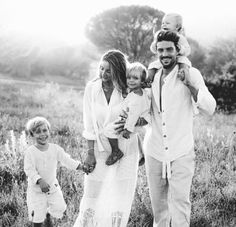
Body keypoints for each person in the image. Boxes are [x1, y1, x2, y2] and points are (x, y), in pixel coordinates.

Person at [143, 30, 216, 227]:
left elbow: (210, 107)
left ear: (178, 50)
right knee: (159, 209)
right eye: (160, 50)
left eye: (169, 49)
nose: (165, 54)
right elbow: (142, 111)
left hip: (181, 150)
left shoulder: (191, 73)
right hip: (154, 149)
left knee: (180, 205)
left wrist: (190, 86)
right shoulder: (152, 76)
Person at [73, 50, 145, 227]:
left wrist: (133, 122)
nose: (103, 74)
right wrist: (90, 153)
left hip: (127, 147)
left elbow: (145, 114)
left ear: (118, 70)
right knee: (92, 193)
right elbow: (89, 123)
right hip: (99, 146)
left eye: (108, 70)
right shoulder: (92, 88)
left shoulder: (129, 89)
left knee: (120, 196)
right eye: (101, 68)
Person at [24, 116, 83, 227]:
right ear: (32, 135)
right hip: (36, 191)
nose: (42, 134)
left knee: (59, 208)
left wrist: (80, 166)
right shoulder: (30, 152)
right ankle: (41, 218)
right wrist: (39, 180)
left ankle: (48, 217)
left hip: (52, 188)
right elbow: (29, 170)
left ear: (49, 131)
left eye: (45, 130)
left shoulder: (55, 149)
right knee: (37, 217)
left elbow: (67, 160)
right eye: (37, 132)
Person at [105, 62, 151, 166]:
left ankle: (116, 151)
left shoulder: (135, 98)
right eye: (129, 77)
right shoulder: (142, 92)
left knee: (108, 129)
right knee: (139, 135)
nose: (131, 80)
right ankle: (142, 154)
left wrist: (128, 129)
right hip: (140, 124)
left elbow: (133, 116)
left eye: (135, 78)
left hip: (131, 123)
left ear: (142, 80)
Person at [147, 13, 191, 86]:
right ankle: (148, 79)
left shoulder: (180, 37)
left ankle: (183, 75)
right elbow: (153, 49)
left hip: (179, 57)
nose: (164, 25)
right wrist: (155, 45)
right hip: (164, 59)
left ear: (177, 27)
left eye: (167, 23)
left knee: (184, 62)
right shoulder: (159, 35)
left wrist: (181, 49)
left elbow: (188, 50)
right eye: (163, 23)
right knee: (153, 65)